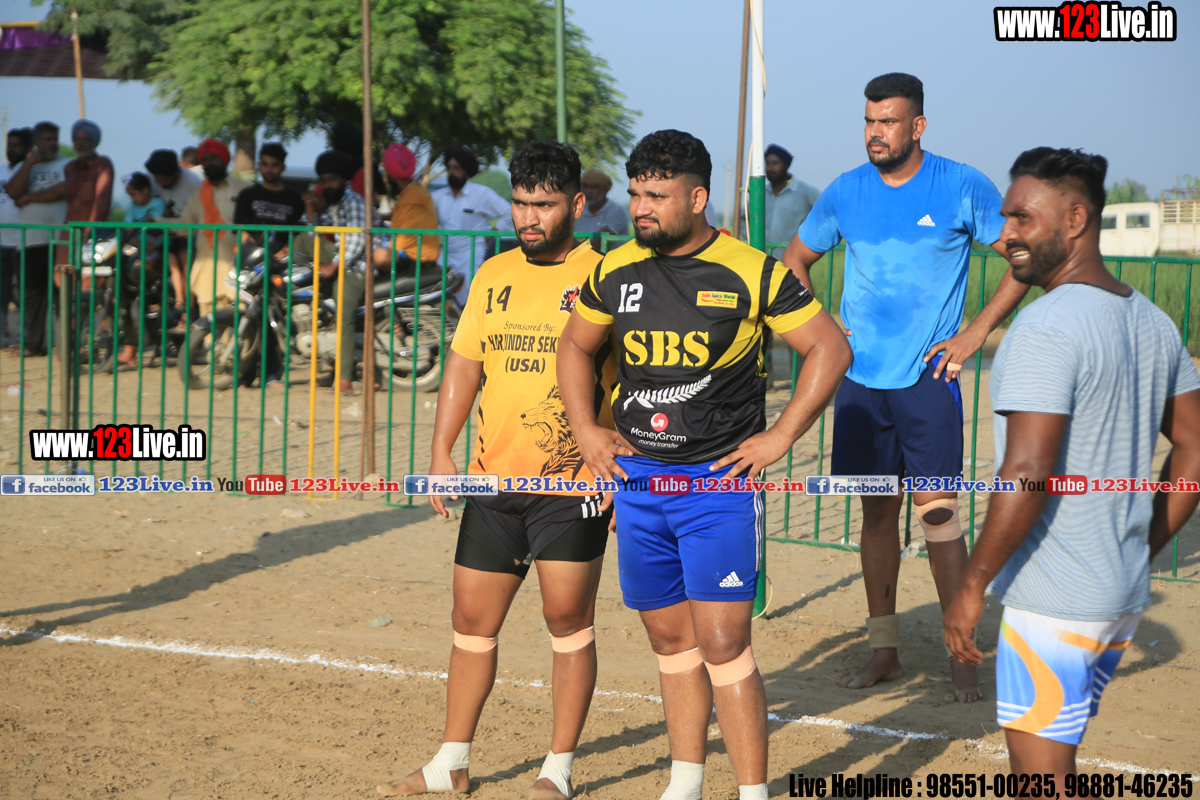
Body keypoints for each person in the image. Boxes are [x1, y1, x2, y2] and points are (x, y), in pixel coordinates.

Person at [559, 130, 852, 800]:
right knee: (670, 642)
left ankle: (752, 792)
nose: (641, 207)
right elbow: (574, 347)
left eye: (657, 196)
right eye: (636, 193)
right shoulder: (613, 269)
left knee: (724, 645)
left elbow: (830, 350)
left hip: (717, 487)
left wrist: (780, 436)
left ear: (697, 198)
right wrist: (586, 430)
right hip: (637, 483)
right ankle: (685, 783)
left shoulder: (752, 270)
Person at [944, 147, 1200, 782]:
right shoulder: (1153, 321)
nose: (1007, 235)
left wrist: (971, 586)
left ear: (1076, 220)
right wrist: (1140, 547)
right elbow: (1195, 446)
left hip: (1055, 602)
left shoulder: (1044, 327)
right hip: (1118, 593)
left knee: (1040, 782)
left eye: (1023, 218)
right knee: (1053, 771)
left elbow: (1027, 473)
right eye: (1006, 217)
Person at [377, 140, 615, 800]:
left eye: (544, 205)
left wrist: (617, 463)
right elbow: (465, 362)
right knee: (471, 620)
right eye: (520, 203)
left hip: (572, 485)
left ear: (577, 204)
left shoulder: (607, 276)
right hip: (493, 479)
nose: (528, 217)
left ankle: (557, 769)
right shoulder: (493, 273)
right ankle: (450, 763)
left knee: (567, 620)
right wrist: (441, 451)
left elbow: (630, 376)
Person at [783, 73, 1024, 702]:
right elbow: (794, 261)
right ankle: (884, 651)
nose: (875, 133)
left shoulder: (961, 185)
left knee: (939, 515)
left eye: (887, 121)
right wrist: (823, 328)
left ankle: (962, 657)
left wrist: (975, 334)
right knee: (876, 515)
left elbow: (1022, 258)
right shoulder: (845, 190)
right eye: (869, 121)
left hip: (927, 379)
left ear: (917, 126)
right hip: (860, 382)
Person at [4, 121, 71, 356]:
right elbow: (13, 192)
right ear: (36, 142)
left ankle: (68, 346)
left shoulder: (67, 164)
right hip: (31, 241)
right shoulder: (26, 166)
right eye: (46, 140)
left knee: (63, 295)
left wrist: (31, 198)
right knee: (32, 297)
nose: (51, 144)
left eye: (55, 139)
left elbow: (65, 190)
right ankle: (34, 345)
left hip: (60, 241)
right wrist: (30, 162)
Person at [306, 150, 367, 396]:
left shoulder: (352, 201)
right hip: (342, 263)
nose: (327, 185)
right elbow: (314, 235)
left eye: (332, 179)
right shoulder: (333, 204)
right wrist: (310, 210)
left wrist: (334, 265)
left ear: (344, 180)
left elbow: (357, 238)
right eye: (324, 180)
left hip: (356, 267)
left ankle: (344, 380)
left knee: (344, 316)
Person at [175, 139, 251, 316]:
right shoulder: (197, 195)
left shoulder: (244, 188)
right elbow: (183, 225)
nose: (209, 163)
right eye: (206, 159)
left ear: (225, 159)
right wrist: (155, 221)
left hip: (238, 270)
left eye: (214, 158)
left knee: (239, 324)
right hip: (207, 273)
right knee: (209, 326)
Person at [431, 146, 512, 305]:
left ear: (466, 171)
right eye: (449, 168)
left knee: (470, 301)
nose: (452, 172)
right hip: (444, 259)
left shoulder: (481, 193)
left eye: (457, 168)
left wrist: (494, 232)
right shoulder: (438, 197)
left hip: (471, 258)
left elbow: (510, 213)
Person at [145, 149, 203, 328]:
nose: (161, 183)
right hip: (162, 236)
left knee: (187, 262)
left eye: (165, 179)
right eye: (158, 179)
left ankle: (187, 311)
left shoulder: (193, 182)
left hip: (189, 234)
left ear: (177, 172)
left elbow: (198, 218)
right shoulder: (150, 180)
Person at [373, 143, 441, 272]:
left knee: (380, 255)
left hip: (415, 260)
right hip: (424, 256)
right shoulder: (417, 190)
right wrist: (382, 216)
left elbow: (399, 243)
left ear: (391, 175)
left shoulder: (409, 200)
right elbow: (405, 218)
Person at [233, 142, 304, 255]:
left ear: (283, 167)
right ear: (259, 165)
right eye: (265, 164)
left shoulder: (295, 198)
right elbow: (240, 230)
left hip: (283, 260)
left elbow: (298, 232)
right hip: (252, 257)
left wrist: (284, 252)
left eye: (274, 165)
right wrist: (259, 254)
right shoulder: (247, 195)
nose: (269, 169)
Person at [0, 127, 32, 346]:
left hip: (23, 243)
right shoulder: (1, 170)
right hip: (1, 242)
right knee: (1, 294)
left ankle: (25, 336)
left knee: (25, 294)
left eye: (17, 145)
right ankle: (2, 334)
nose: (12, 149)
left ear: (27, 148)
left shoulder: (31, 172)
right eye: (9, 145)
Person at [763, 144, 820, 259]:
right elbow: (743, 218)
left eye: (775, 163)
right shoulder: (761, 193)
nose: (770, 168)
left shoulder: (804, 191)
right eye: (767, 164)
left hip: (793, 260)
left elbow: (827, 211)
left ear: (786, 166)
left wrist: (813, 240)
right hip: (763, 258)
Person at [575, 167, 629, 242]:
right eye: (585, 187)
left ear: (604, 190)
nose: (588, 191)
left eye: (594, 187)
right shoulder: (577, 210)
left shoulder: (616, 212)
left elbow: (600, 243)